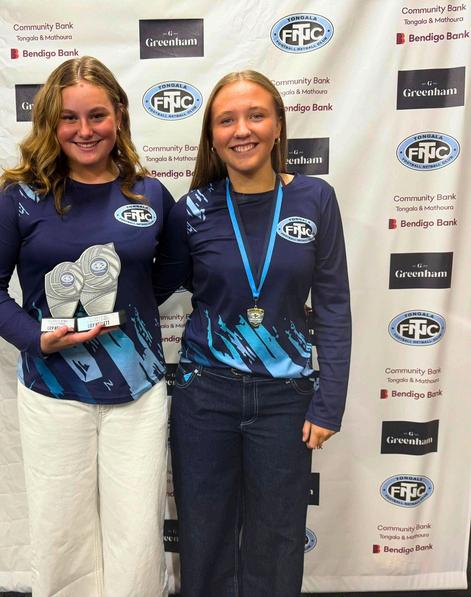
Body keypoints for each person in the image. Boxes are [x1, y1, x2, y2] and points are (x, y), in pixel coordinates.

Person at [0, 56, 173, 597]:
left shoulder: (150, 194)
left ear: (119, 114)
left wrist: (131, 311)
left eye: (97, 115)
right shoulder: (18, 197)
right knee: (61, 537)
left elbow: (171, 272)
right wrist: (35, 337)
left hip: (139, 391)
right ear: (50, 122)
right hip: (53, 390)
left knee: (137, 539)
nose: (85, 130)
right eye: (69, 118)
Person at [153, 70, 351, 596]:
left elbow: (333, 304)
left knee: (278, 541)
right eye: (227, 120)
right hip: (205, 395)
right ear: (212, 136)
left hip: (287, 399)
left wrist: (329, 402)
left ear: (278, 125)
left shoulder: (315, 199)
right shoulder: (192, 210)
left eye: (256, 115)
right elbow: (148, 289)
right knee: (204, 539)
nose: (242, 130)